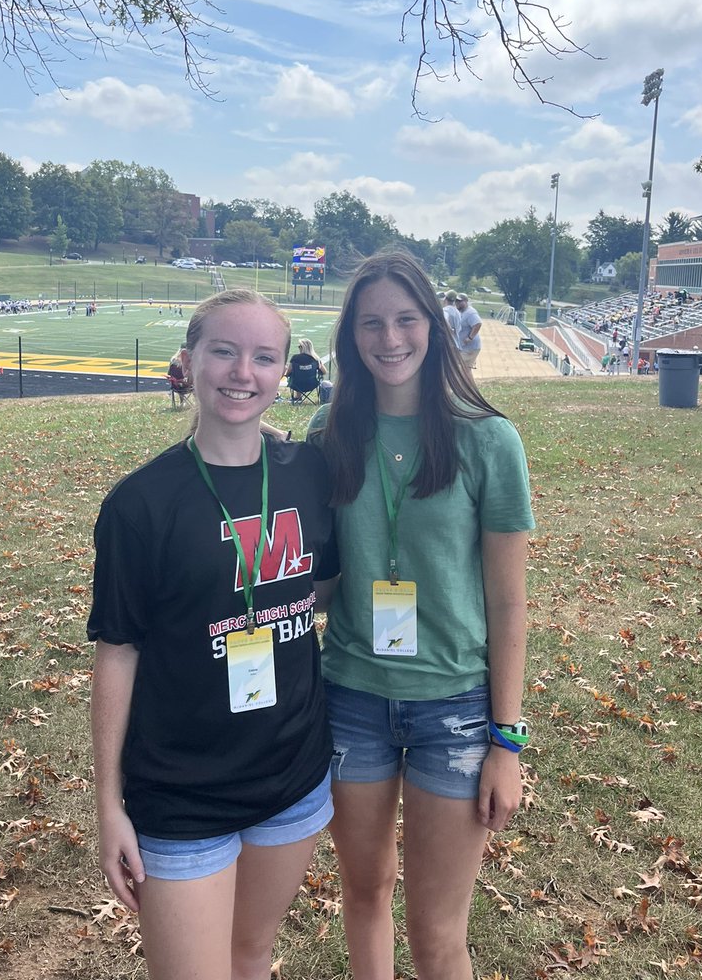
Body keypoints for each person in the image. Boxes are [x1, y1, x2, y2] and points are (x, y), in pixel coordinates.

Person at [89, 289, 338, 980]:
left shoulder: (308, 473)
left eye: (264, 357)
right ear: (189, 359)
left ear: (284, 369)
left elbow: (321, 590)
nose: (242, 372)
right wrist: (108, 806)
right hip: (182, 793)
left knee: (251, 954)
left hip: (292, 774)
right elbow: (118, 652)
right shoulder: (140, 504)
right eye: (224, 351)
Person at [308, 251, 534, 980]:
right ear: (351, 336)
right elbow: (319, 579)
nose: (390, 338)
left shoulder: (488, 440)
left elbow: (508, 602)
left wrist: (506, 741)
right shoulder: (327, 432)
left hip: (455, 710)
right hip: (351, 699)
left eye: (406, 319)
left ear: (434, 327)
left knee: (437, 933)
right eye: (371, 323)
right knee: (365, 892)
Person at [284, 337, 326, 402]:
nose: (298, 348)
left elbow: (288, 372)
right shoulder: (315, 359)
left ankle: (297, 397)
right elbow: (324, 372)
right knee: (303, 376)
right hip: (312, 384)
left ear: (303, 348)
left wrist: (286, 374)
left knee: (298, 376)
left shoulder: (295, 358)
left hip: (296, 384)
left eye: (299, 346)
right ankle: (298, 397)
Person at [455, 292, 483, 370]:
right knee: (466, 370)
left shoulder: (470, 313)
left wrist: (470, 338)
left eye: (460, 301)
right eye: (456, 301)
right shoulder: (461, 312)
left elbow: (478, 324)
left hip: (470, 348)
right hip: (465, 347)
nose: (457, 303)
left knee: (457, 366)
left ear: (466, 301)